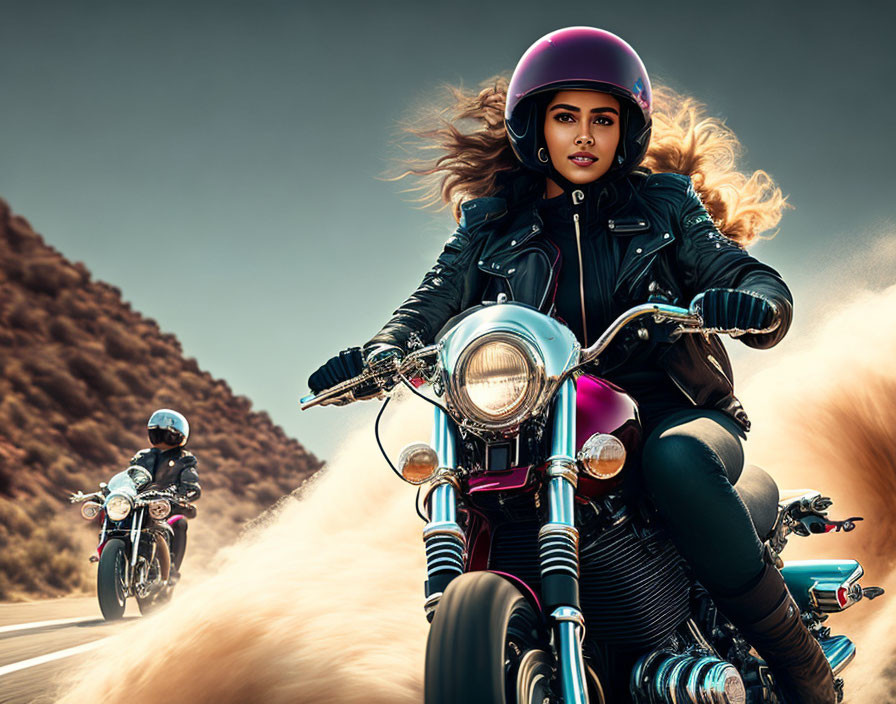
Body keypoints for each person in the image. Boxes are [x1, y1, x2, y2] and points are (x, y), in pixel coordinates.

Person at [308, 27, 833, 703]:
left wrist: (754, 301)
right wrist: (387, 347)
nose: (583, 136)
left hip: (671, 408)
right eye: (565, 117)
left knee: (676, 462)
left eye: (602, 119)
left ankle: (800, 670)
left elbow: (739, 270)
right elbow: (431, 301)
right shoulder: (490, 226)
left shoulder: (666, 205)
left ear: (626, 132)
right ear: (536, 127)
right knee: (471, 485)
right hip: (538, 411)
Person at [129, 408, 201, 581]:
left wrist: (184, 494)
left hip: (167, 507)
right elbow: (129, 476)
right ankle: (111, 555)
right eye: (158, 431)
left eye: (167, 432)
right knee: (115, 514)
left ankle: (172, 571)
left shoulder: (185, 458)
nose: (162, 435)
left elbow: (191, 482)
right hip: (140, 505)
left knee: (180, 523)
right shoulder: (142, 456)